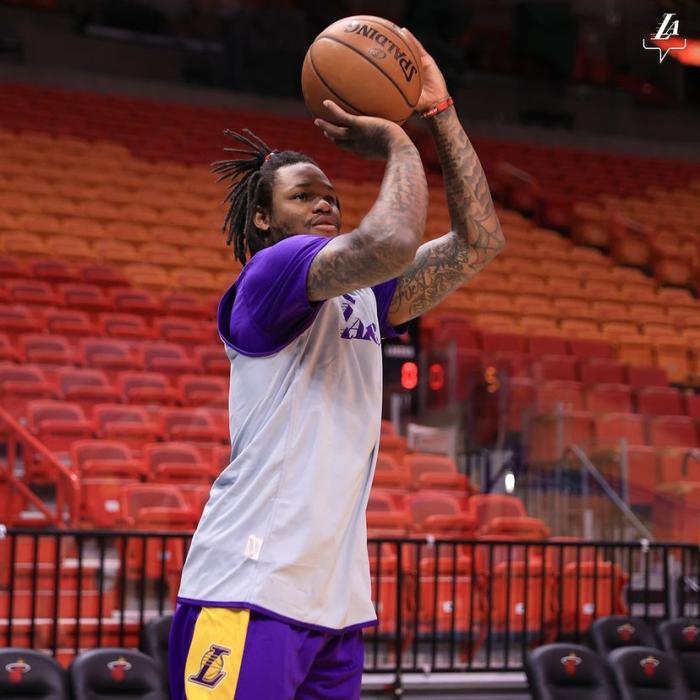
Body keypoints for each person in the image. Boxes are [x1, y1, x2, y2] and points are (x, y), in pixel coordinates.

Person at [168, 30, 505, 700]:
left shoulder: (364, 295)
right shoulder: (272, 270)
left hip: (334, 602)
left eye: (330, 195)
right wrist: (398, 141)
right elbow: (391, 239)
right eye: (303, 196)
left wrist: (439, 114)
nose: (325, 203)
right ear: (262, 220)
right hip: (249, 585)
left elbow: (479, 242)